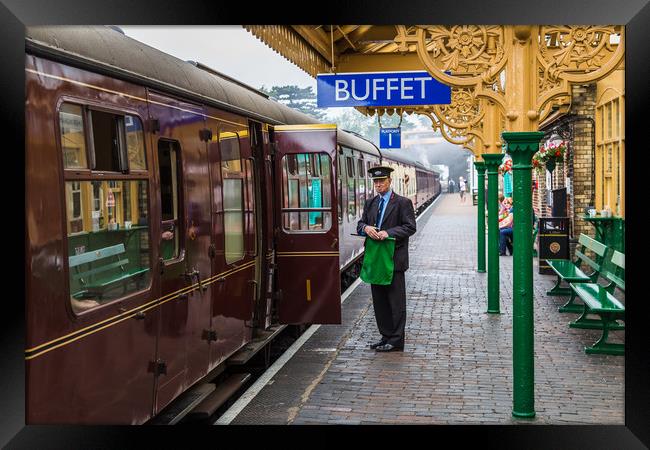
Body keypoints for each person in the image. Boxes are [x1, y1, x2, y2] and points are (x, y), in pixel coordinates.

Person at [357, 166, 416, 352]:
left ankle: (396, 340)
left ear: (390, 181)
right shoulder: (370, 203)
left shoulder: (402, 203)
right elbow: (360, 224)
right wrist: (366, 228)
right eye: (376, 182)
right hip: (376, 260)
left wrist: (387, 233)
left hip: (394, 260)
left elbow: (410, 227)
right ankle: (385, 336)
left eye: (382, 181)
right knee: (380, 301)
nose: (378, 184)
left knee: (396, 301)